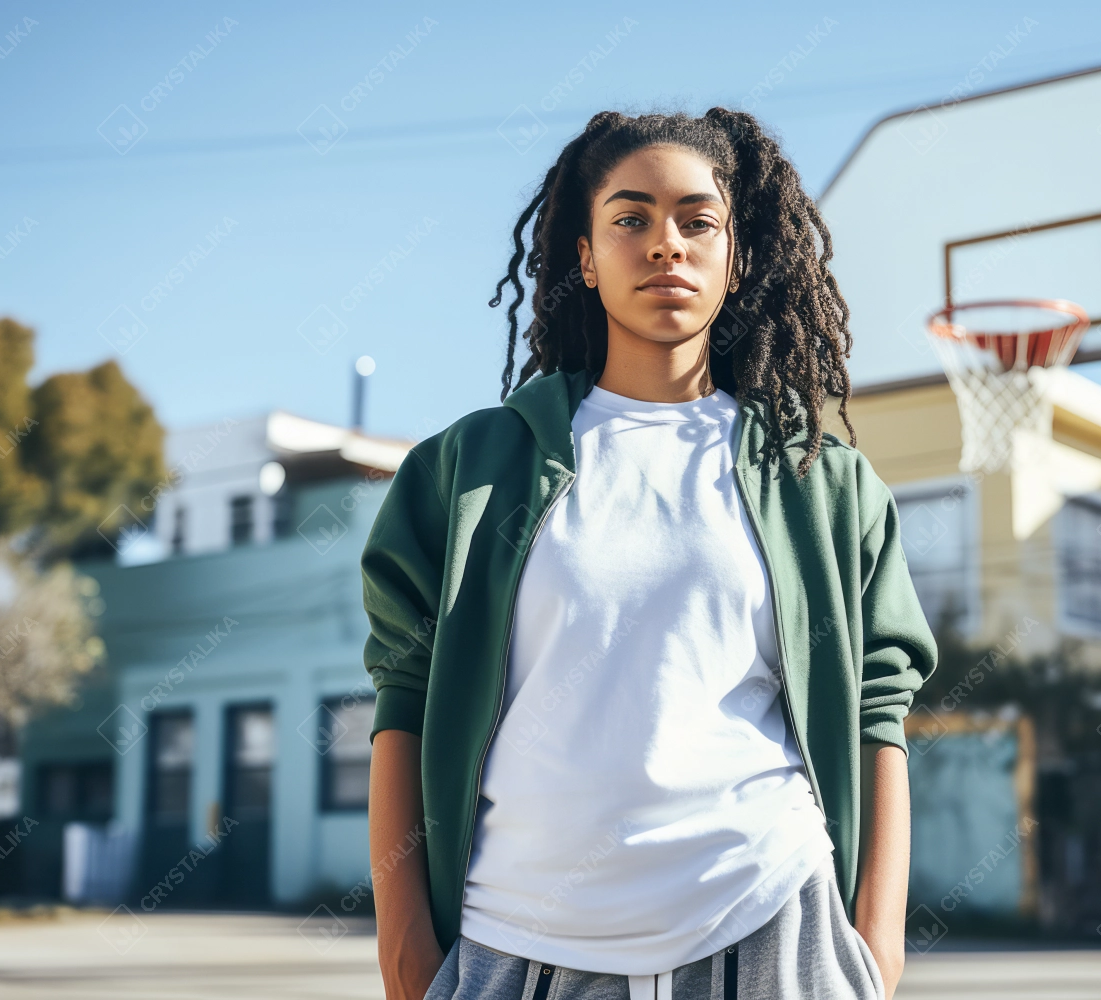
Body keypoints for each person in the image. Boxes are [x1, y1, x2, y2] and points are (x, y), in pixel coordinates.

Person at [361, 108, 937, 1000]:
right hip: (518, 939)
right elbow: (403, 694)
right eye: (630, 219)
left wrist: (876, 949)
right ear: (585, 258)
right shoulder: (470, 468)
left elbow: (878, 712)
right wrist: (406, 950)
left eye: (697, 221)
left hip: (771, 923)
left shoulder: (821, 480)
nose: (665, 244)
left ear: (737, 257)